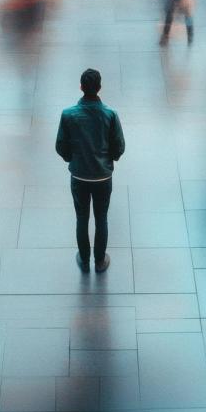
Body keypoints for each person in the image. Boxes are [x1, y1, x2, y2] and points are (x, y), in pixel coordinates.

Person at [56, 68, 125, 273]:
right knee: (101, 218)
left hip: (79, 176)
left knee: (82, 218)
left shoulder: (68, 115)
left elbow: (61, 145)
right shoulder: (110, 114)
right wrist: (109, 160)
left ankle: (84, 260)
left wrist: (73, 159)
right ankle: (100, 260)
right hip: (103, 177)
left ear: (81, 87)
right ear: (99, 88)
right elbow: (119, 146)